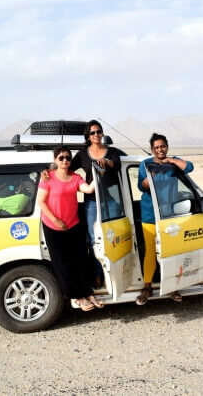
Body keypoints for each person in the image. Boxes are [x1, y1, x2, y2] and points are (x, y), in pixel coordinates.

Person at [42, 120, 125, 287]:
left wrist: (106, 163)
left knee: (116, 238)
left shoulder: (112, 152)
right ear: (88, 136)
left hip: (112, 202)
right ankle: (98, 275)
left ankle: (118, 275)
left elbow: (116, 164)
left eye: (99, 131)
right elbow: (65, 167)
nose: (96, 135)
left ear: (102, 133)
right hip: (93, 201)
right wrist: (48, 171)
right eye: (92, 132)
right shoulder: (83, 154)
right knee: (95, 241)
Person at [37, 146, 103, 311]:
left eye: (67, 158)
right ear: (55, 160)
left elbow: (88, 189)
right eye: (61, 158)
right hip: (53, 227)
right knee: (62, 264)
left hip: (73, 225)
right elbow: (41, 202)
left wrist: (98, 173)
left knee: (79, 261)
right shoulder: (48, 178)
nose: (65, 160)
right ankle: (77, 297)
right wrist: (56, 220)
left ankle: (87, 293)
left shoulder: (75, 177)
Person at [135, 133, 194, 305]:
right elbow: (141, 185)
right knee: (150, 252)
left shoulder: (173, 163)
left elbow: (189, 167)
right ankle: (147, 286)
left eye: (162, 146)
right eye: (156, 147)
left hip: (170, 214)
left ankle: (172, 286)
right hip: (150, 214)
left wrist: (172, 161)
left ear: (166, 146)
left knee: (171, 251)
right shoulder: (145, 164)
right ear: (152, 149)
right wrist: (149, 179)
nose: (160, 149)